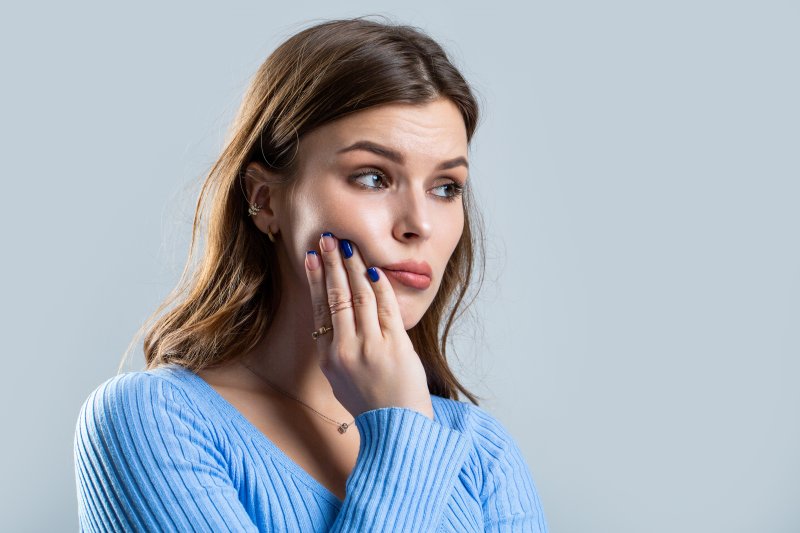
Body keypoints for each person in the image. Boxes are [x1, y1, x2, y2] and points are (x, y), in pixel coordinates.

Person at [73, 16, 549, 532]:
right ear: (265, 200)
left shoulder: (483, 455)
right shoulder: (152, 421)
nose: (419, 225)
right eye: (373, 177)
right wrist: (402, 431)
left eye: (446, 187)